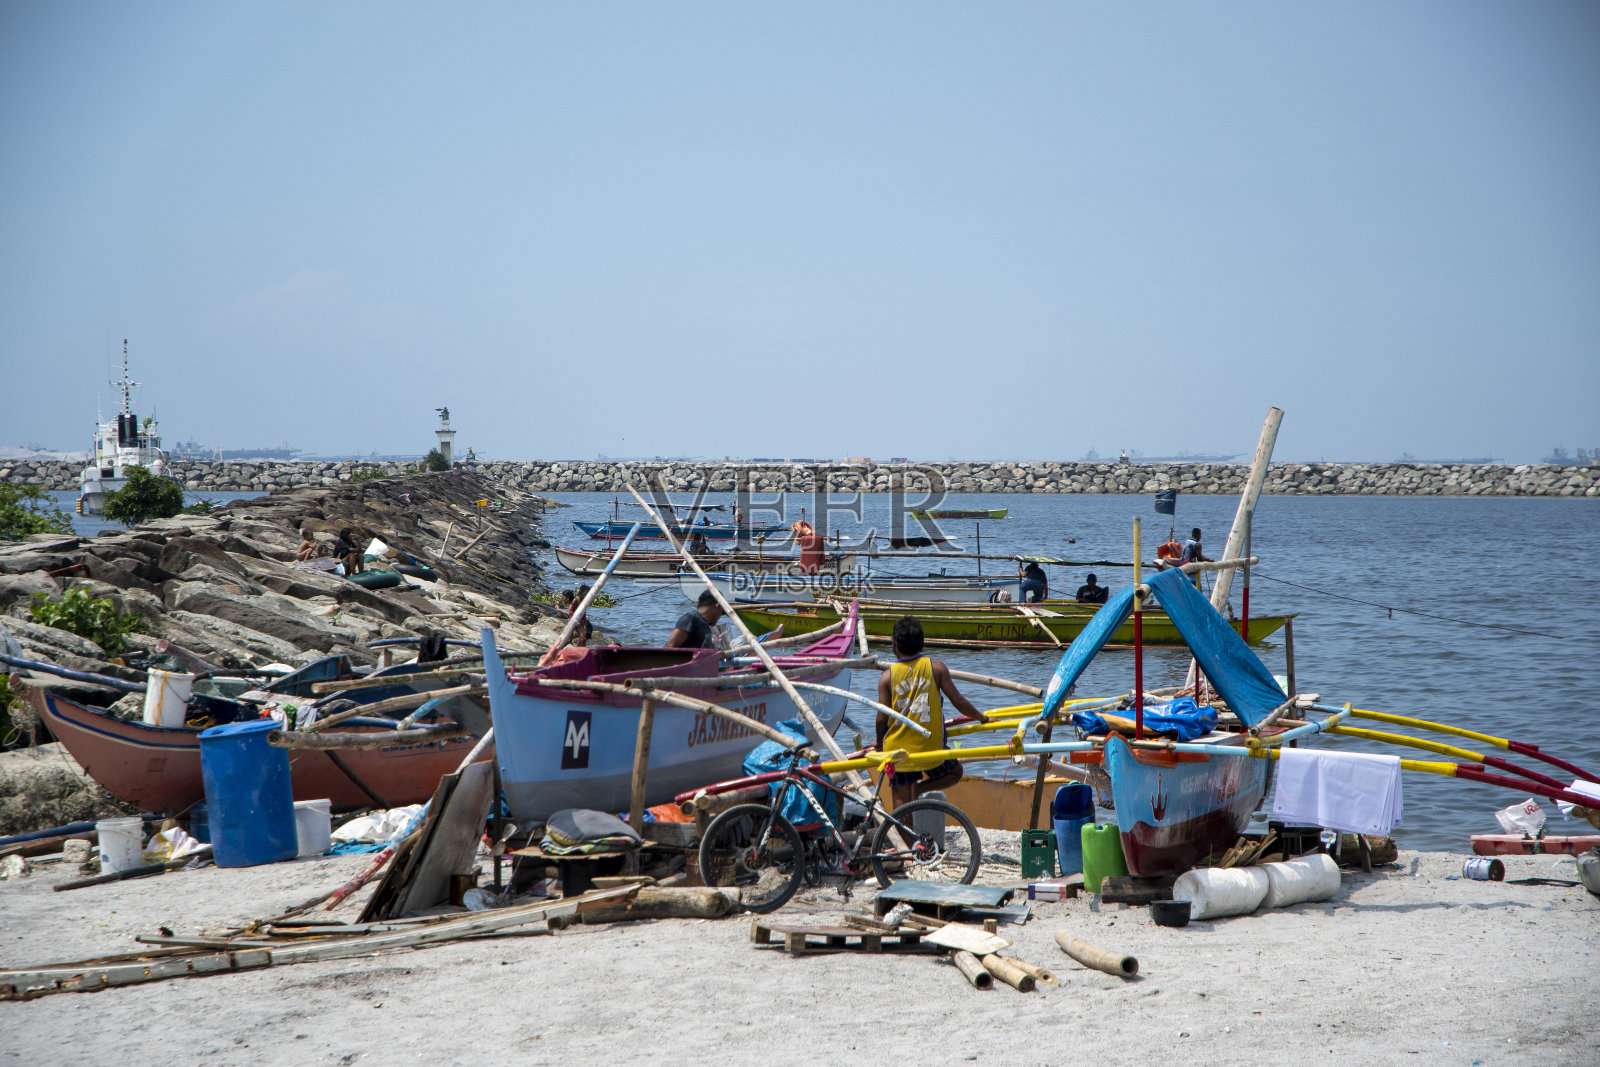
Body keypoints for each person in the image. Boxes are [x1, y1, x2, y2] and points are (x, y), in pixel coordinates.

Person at [875, 617, 989, 812]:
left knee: (901, 803)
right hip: (931, 750)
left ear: (895, 646)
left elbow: (881, 720)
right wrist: (983, 718)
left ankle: (908, 842)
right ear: (922, 642)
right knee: (955, 771)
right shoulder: (936, 668)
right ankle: (920, 788)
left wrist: (879, 745)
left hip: (899, 752)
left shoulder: (887, 677)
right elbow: (959, 702)